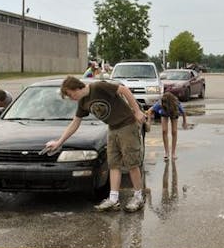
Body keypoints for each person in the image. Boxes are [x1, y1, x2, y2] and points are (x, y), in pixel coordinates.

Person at [44, 76, 147, 212]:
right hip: (112, 128)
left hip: (127, 125)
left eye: (70, 94)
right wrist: (59, 142)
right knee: (113, 163)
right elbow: (75, 123)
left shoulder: (98, 87)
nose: (71, 98)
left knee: (132, 162)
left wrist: (137, 111)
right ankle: (113, 199)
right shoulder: (83, 102)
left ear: (76, 88)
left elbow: (124, 90)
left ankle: (138, 197)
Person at [147, 92, 188, 161]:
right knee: (164, 131)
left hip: (174, 112)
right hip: (164, 113)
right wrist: (149, 122)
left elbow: (183, 112)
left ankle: (173, 153)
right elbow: (150, 110)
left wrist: (184, 122)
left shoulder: (176, 103)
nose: (163, 104)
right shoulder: (161, 103)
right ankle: (166, 152)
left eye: (165, 103)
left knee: (174, 131)